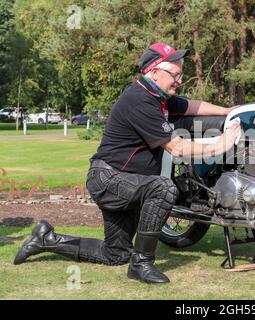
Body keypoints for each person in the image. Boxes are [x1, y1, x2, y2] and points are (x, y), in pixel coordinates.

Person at [14, 42, 241, 284]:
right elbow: (176, 147)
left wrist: (228, 111)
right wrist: (221, 145)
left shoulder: (158, 96)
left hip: (125, 181)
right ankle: (141, 264)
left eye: (180, 74)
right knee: (163, 188)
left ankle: (47, 239)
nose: (179, 80)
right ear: (154, 72)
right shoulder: (140, 99)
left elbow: (191, 106)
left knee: (115, 254)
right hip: (109, 179)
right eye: (175, 74)